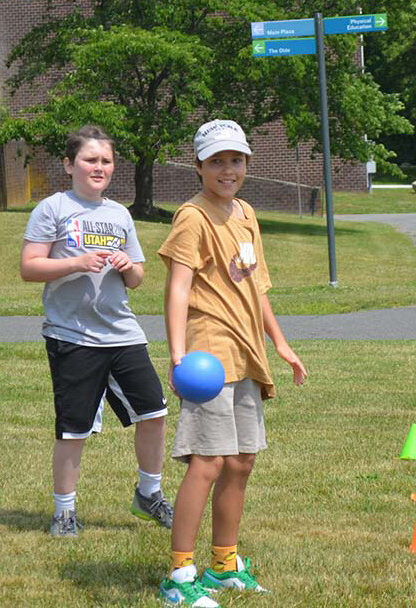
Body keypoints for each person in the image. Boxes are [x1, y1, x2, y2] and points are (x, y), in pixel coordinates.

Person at [157, 119, 307, 607]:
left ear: (247, 164)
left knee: (241, 461)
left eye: (236, 160)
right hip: (209, 355)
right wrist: (177, 355)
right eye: (217, 161)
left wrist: (280, 343)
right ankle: (179, 575)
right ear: (198, 166)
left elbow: (255, 286)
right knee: (207, 462)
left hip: (247, 351)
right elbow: (178, 288)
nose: (228, 170)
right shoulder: (192, 217)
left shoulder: (245, 213)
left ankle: (223, 565)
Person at [21, 125, 173, 537]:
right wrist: (75, 262)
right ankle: (64, 512)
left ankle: (149, 494)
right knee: (74, 429)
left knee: (154, 412)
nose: (99, 167)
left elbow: (138, 278)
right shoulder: (53, 208)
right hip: (72, 336)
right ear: (69, 165)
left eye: (106, 160)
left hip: (123, 333)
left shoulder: (119, 214)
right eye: (90, 159)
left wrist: (128, 266)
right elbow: (29, 267)